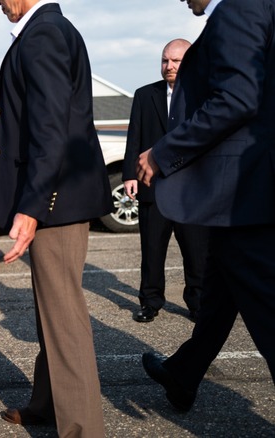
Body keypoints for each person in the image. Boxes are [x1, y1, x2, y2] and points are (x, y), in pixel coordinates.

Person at [137, 0, 275, 411]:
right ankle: (184, 372)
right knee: (219, 288)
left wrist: (164, 151)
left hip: (245, 191)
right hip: (243, 194)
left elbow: (237, 98)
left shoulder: (238, 9)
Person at [0, 1, 112, 436]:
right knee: (52, 310)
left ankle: (83, 429)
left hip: (55, 204)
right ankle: (46, 403)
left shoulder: (43, 33)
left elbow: (50, 127)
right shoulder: (49, 30)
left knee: (64, 319)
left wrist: (33, 205)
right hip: (57, 200)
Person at [122, 38, 208, 323]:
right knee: (152, 251)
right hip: (152, 187)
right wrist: (130, 175)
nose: (169, 66)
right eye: (165, 60)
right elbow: (134, 137)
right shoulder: (145, 95)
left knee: (196, 253)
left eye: (176, 61)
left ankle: (197, 303)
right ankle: (150, 302)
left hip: (191, 191)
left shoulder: (204, 95)